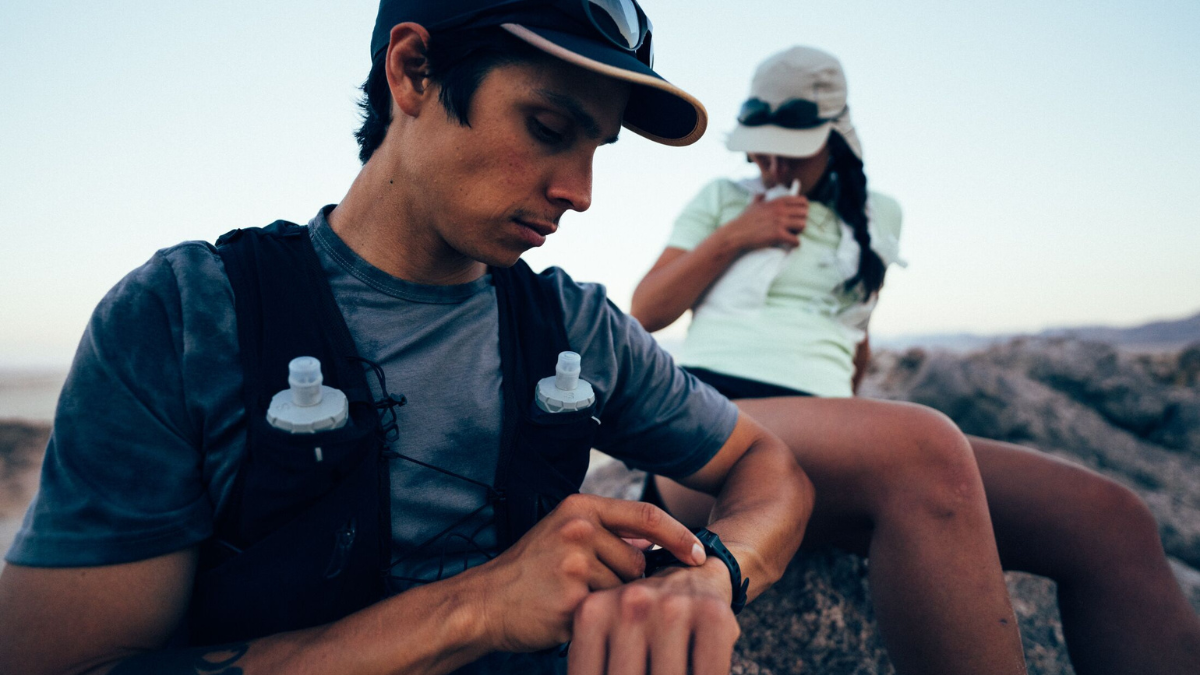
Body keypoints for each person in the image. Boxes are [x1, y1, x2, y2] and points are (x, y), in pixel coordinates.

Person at [0, 4, 817, 675]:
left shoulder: (575, 327)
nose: (580, 192)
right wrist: (479, 606)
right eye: (546, 126)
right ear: (413, 71)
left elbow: (769, 466)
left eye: (596, 149)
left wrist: (713, 574)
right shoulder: (187, 317)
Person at [631, 46, 1200, 675]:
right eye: (759, 150)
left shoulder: (880, 215)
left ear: (836, 138)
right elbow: (648, 309)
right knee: (924, 443)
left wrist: (852, 404)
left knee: (1110, 519)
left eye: (788, 150)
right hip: (712, 434)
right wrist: (740, 234)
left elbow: (851, 332)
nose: (769, 164)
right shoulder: (724, 198)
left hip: (825, 445)